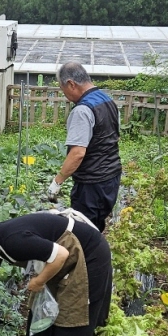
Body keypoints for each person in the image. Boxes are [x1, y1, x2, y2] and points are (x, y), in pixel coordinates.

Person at [47, 62, 121, 231]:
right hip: (111, 178)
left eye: (62, 89)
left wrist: (57, 182)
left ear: (71, 84)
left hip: (91, 184)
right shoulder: (107, 100)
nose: (64, 94)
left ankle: (90, 257)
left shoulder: (82, 110)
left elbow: (78, 153)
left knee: (83, 233)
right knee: (96, 226)